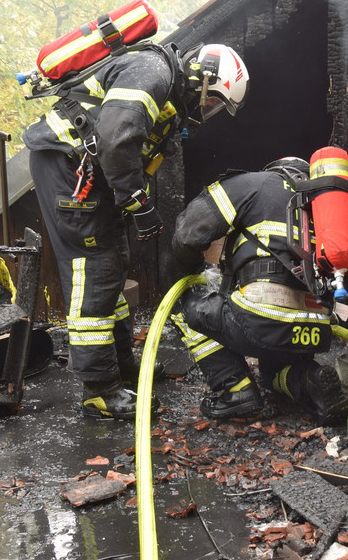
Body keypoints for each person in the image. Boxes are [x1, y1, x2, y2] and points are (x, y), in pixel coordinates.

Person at [22, 42, 249, 419]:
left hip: (90, 174)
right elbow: (115, 139)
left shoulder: (163, 86)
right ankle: (99, 390)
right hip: (69, 170)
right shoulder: (153, 73)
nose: (208, 111)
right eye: (212, 101)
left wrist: (130, 198)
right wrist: (137, 202)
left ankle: (122, 365)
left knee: (112, 264)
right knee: (94, 269)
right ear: (202, 80)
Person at [169, 157, 348, 425]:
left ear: (275, 169)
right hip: (316, 330)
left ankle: (235, 390)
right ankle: (309, 381)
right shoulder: (324, 208)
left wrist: (196, 273)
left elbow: (187, 234)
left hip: (261, 319)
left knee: (183, 305)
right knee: (274, 373)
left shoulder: (253, 184)